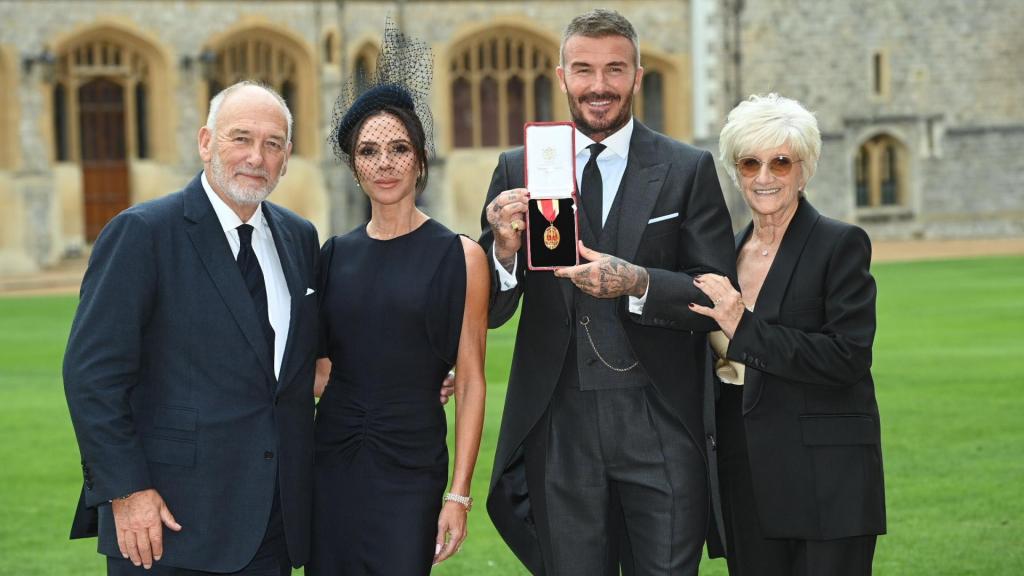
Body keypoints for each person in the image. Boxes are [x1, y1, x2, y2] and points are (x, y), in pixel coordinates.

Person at [480, 8, 736, 575]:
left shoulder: (686, 168)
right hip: (560, 422)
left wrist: (640, 283)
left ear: (638, 76)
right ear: (562, 76)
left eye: (615, 70)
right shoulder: (519, 167)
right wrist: (500, 249)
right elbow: (494, 310)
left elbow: (718, 295)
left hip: (661, 419)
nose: (599, 86)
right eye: (585, 70)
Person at [64, 81, 321, 575]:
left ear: (287, 157)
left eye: (272, 144)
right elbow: (91, 376)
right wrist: (127, 490)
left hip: (273, 525)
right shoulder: (142, 233)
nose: (255, 156)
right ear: (206, 142)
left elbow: (308, 363)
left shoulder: (299, 237)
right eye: (240, 138)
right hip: (167, 526)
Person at [307, 21, 488, 575]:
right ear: (353, 164)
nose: (384, 162)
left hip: (412, 466)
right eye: (368, 151)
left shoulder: (461, 256)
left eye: (398, 148)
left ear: (420, 156)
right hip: (332, 459)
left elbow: (473, 379)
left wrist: (457, 495)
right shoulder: (333, 254)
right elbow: (318, 370)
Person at [692, 93, 885, 576]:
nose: (763, 176)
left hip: (826, 481)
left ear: (805, 169)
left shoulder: (839, 244)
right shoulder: (725, 255)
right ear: (735, 171)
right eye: (750, 162)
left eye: (780, 162)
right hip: (744, 474)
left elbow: (847, 356)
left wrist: (743, 327)